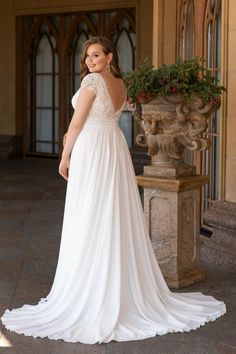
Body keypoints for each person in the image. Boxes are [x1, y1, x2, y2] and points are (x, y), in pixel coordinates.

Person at [1, 36, 226, 344]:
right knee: (112, 213)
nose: (90, 60)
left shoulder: (93, 81)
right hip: (113, 147)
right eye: (87, 56)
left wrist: (65, 155)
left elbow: (77, 123)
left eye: (96, 55)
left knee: (91, 214)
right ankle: (114, 284)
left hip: (93, 149)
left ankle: (91, 289)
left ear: (109, 56)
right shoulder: (120, 83)